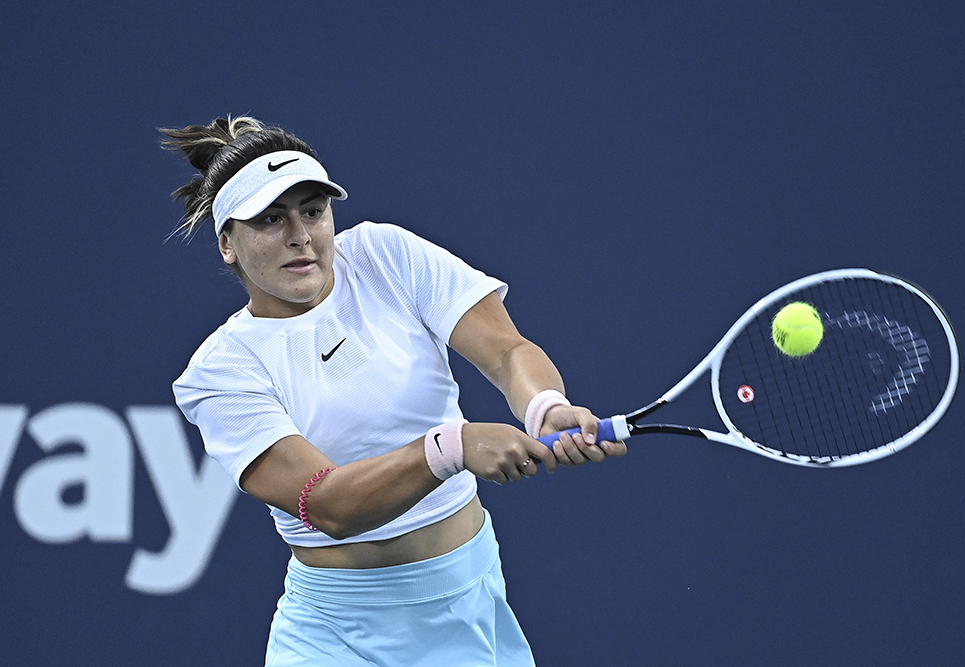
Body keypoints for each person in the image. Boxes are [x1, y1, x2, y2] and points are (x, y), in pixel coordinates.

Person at [164, 116, 626, 667]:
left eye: (313, 211)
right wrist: (450, 448)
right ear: (227, 245)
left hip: (469, 602)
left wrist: (544, 405)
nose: (300, 236)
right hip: (336, 638)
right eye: (270, 220)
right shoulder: (222, 370)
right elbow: (328, 503)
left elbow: (507, 351)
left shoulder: (386, 255)